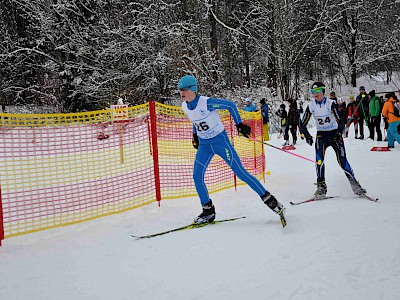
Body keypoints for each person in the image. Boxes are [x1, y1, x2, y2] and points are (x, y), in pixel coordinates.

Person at [178, 75, 285, 224]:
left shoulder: (206, 103)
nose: (181, 92)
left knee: (241, 172)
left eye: (184, 89)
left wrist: (239, 124)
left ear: (193, 89)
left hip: (220, 142)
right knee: (197, 175)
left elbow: (230, 106)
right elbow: (194, 120)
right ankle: (208, 211)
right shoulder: (184, 106)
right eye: (180, 90)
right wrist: (195, 136)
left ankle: (271, 201)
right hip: (204, 146)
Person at [299, 82, 366, 198]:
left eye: (318, 91)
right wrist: (307, 135)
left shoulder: (331, 104)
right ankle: (321, 186)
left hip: (334, 134)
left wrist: (339, 132)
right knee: (319, 161)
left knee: (342, 161)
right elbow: (302, 123)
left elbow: (340, 120)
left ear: (323, 91)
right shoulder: (311, 106)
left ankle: (355, 184)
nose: (316, 94)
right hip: (321, 136)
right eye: (313, 92)